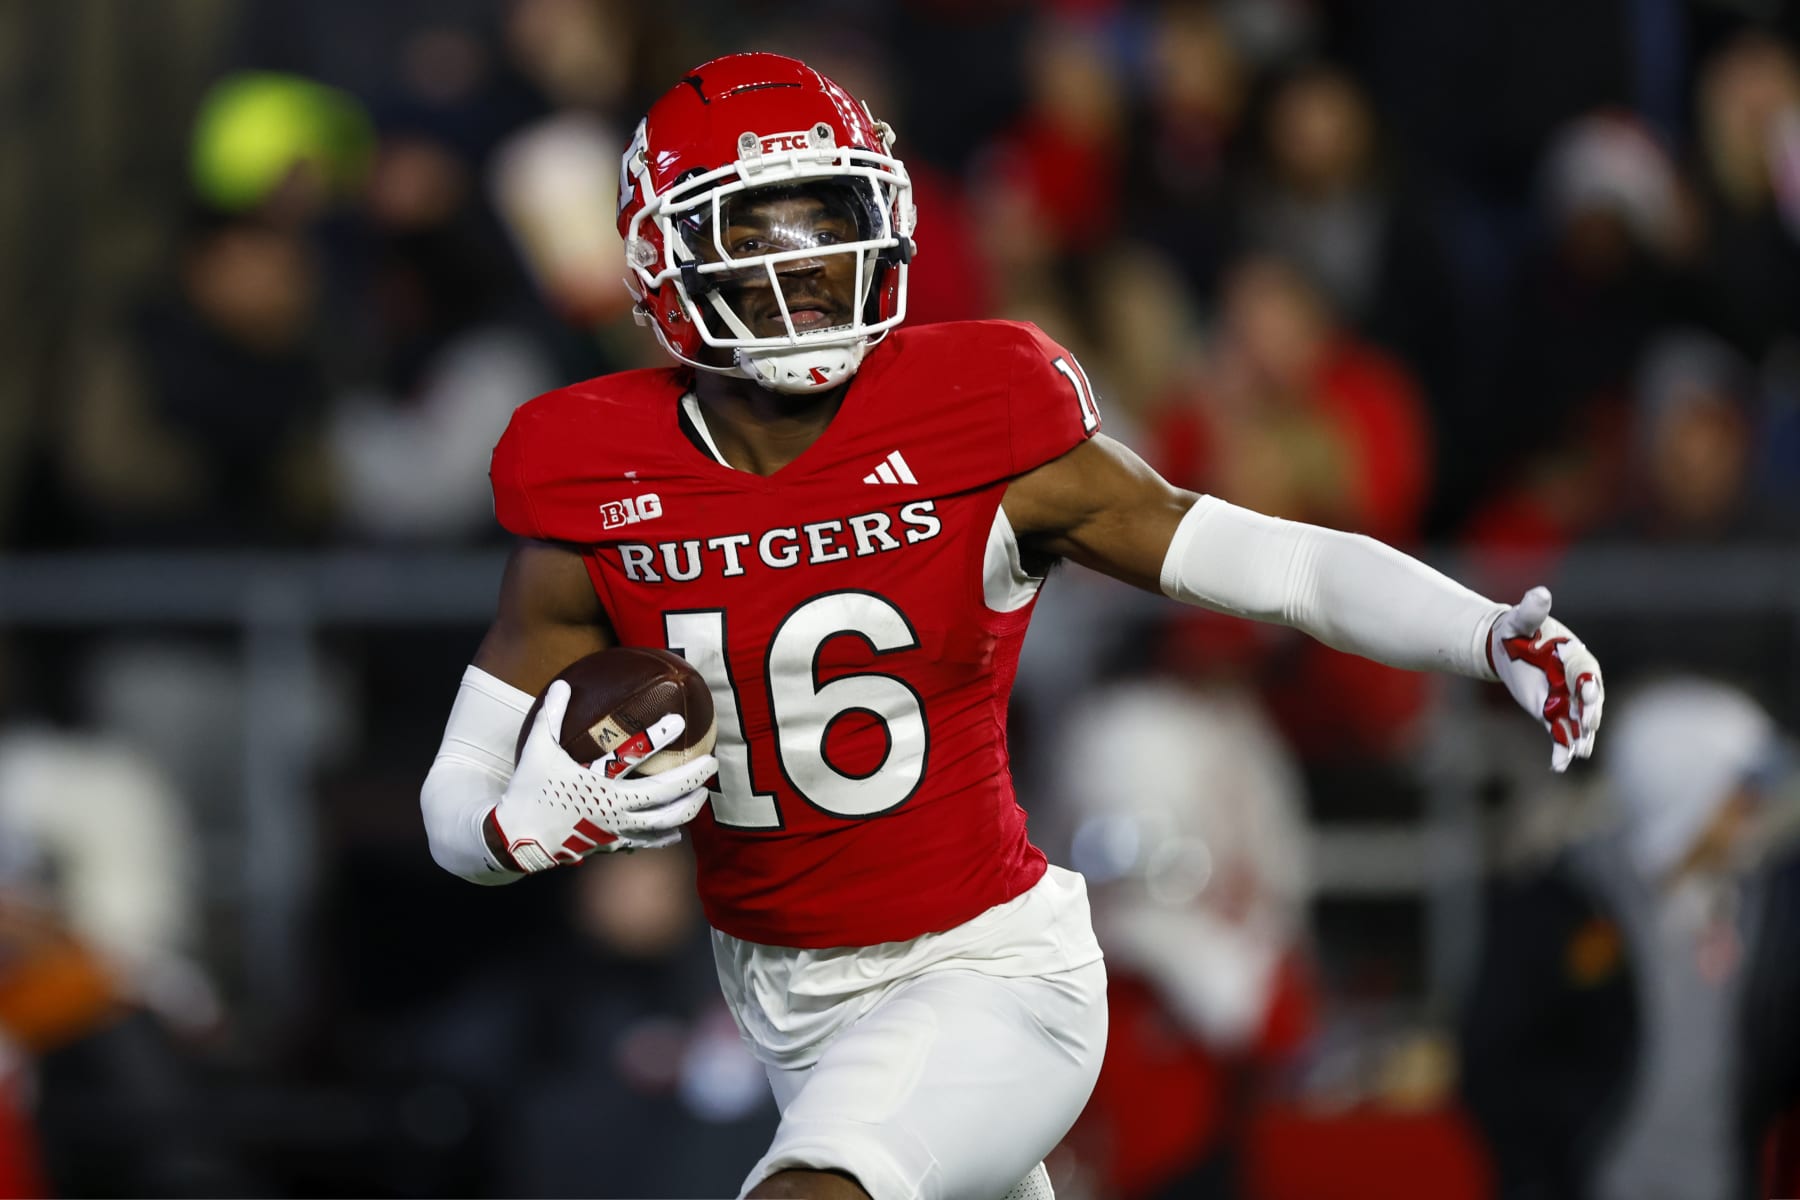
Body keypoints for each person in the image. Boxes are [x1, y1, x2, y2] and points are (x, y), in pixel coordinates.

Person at [420, 52, 1604, 1200]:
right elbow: (457, 807)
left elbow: (1267, 558)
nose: (813, 263)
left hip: (985, 970)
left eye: (832, 219)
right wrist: (519, 824)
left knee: (813, 1193)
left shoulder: (973, 414)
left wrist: (1484, 631)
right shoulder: (592, 472)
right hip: (781, 999)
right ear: (664, 257)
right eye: (762, 229)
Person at [1459, 676, 1800, 1200]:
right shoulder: (1564, 909)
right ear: (1687, 789)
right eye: (1738, 792)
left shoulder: (1762, 911)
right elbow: (1496, 1066)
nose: (1751, 811)